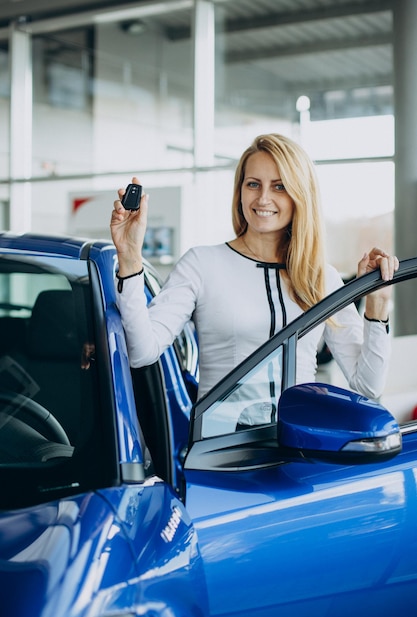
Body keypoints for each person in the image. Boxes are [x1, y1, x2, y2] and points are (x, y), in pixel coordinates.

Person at [110, 133, 398, 417]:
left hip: (300, 447)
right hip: (223, 451)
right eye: (253, 184)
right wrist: (130, 255)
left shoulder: (322, 278)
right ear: (240, 191)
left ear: (300, 194)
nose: (263, 198)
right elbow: (142, 351)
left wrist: (377, 306)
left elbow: (367, 387)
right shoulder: (202, 264)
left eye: (279, 186)